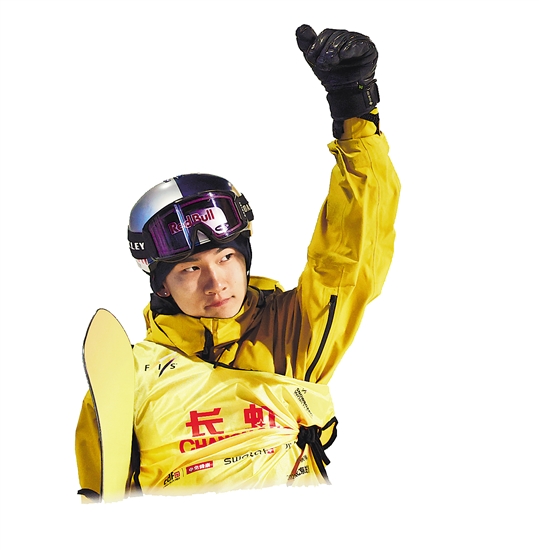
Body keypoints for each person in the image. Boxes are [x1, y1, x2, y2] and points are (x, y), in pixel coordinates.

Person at [75, 24, 401, 502]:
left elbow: (351, 249)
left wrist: (355, 111)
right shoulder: (127, 376)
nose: (216, 281)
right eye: (190, 269)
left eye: (226, 256)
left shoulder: (293, 334)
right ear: (160, 284)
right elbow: (99, 500)